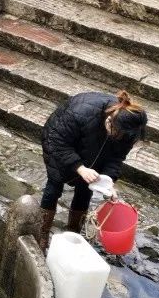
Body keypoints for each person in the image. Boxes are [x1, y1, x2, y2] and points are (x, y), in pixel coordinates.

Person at [38, 90, 148, 252]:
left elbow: (116, 158)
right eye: (116, 133)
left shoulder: (129, 131)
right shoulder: (80, 113)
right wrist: (80, 168)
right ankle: (42, 233)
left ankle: (74, 232)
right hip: (58, 142)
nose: (118, 138)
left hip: (94, 151)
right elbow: (58, 142)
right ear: (110, 120)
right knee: (54, 187)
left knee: (85, 191)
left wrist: (108, 182)